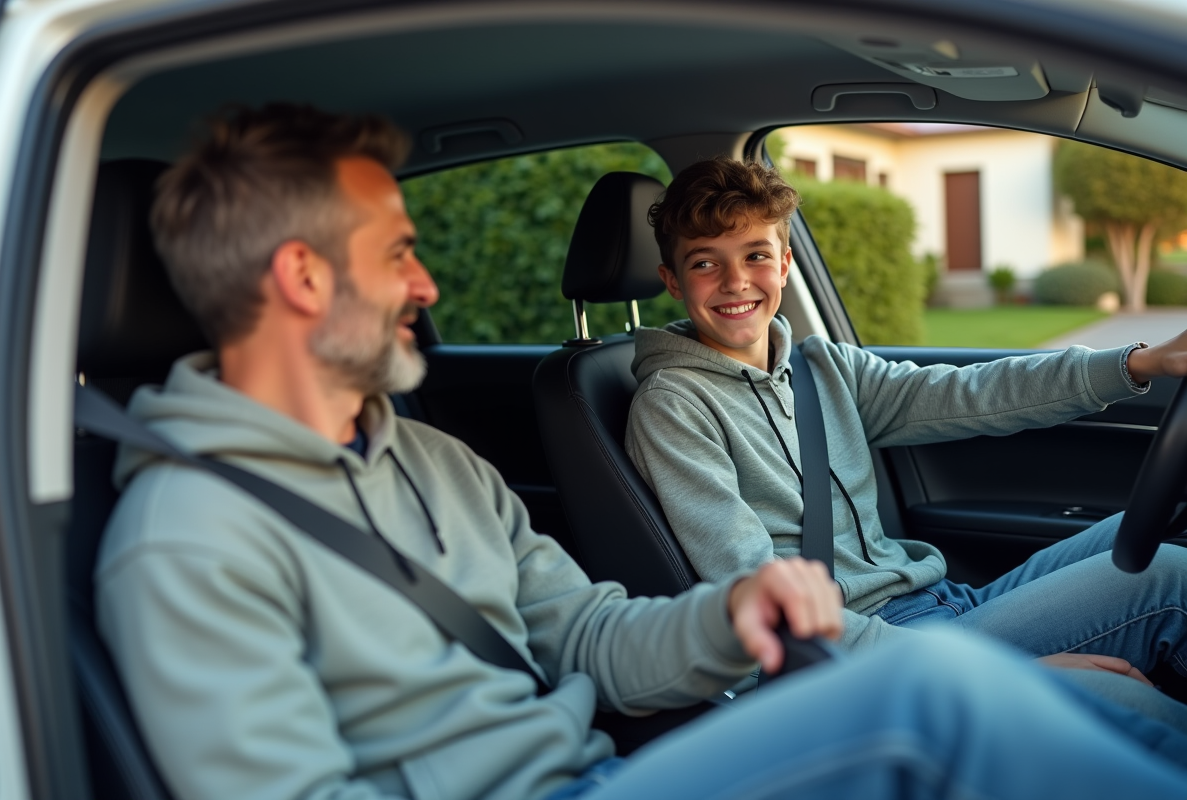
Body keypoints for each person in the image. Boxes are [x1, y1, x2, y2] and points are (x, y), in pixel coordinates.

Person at [95, 105, 1187, 800]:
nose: (426, 291)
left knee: (1117, 607)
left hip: (610, 763)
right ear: (301, 277)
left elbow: (590, 634)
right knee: (941, 697)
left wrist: (729, 613)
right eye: (401, 253)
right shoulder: (186, 541)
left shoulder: (433, 461)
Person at [625, 156, 1187, 716]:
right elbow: (767, 604)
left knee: (1149, 533)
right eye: (705, 263)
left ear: (786, 264)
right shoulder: (672, 407)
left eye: (756, 256)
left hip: (944, 606)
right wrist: (995, 672)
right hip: (850, 659)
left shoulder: (824, 368)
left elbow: (975, 392)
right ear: (671, 281)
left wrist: (1140, 363)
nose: (735, 281)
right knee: (1162, 592)